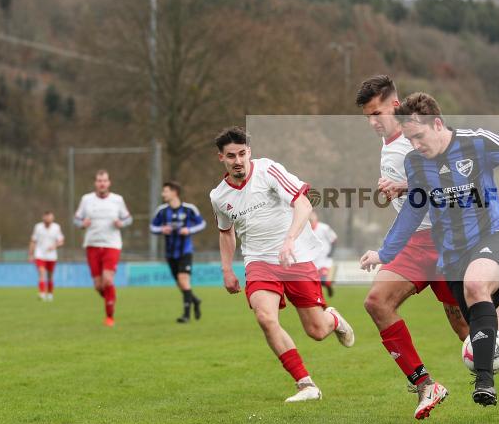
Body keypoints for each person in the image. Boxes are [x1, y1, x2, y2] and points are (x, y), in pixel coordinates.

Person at [360, 93, 499, 407]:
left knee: (475, 283)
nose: (416, 146)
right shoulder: (416, 163)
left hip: (494, 235)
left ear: (437, 124)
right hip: (453, 254)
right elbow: (413, 211)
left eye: (420, 137)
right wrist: (385, 253)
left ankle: (484, 382)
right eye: (410, 139)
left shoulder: (477, 142)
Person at [210, 126, 355, 403]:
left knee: (316, 331)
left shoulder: (268, 171)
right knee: (265, 318)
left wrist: (289, 240)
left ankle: (332, 319)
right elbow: (226, 232)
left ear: (249, 152)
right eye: (231, 156)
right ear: (222, 159)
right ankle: (306, 384)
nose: (238, 160)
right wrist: (227, 269)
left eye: (242, 153)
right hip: (259, 261)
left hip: (295, 255)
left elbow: (303, 204)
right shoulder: (219, 196)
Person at [73, 170, 133, 327]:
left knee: (107, 280)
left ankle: (109, 317)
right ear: (95, 183)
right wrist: (82, 224)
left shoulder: (117, 200)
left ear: (109, 182)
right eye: (99, 181)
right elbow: (76, 219)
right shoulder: (86, 199)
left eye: (105, 181)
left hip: (111, 244)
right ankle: (111, 296)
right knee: (99, 286)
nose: (102, 184)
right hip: (92, 244)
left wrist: (121, 223)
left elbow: (128, 218)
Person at [150, 181, 206, 323]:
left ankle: (186, 315)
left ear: (174, 192)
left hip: (185, 251)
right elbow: (152, 227)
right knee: (181, 284)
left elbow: (202, 223)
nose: (163, 194)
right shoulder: (162, 211)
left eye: (165, 191)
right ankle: (195, 300)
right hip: (170, 253)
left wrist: (189, 230)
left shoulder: (189, 209)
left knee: (183, 280)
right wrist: (161, 230)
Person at [28, 211, 64, 302]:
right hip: (40, 254)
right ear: (43, 218)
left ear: (52, 218)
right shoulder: (38, 227)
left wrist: (54, 246)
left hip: (52, 256)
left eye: (50, 217)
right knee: (41, 272)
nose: (48, 219)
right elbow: (33, 241)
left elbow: (61, 241)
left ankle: (50, 294)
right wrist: (31, 254)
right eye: (46, 217)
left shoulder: (56, 227)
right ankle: (42, 293)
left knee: (50, 276)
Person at [308, 211, 337, 298]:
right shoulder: (304, 229)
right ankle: (317, 296)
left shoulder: (324, 228)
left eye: (312, 216)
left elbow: (334, 239)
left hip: (324, 259)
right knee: (314, 282)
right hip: (312, 259)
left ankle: (328, 287)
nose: (311, 218)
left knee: (324, 280)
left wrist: (331, 252)